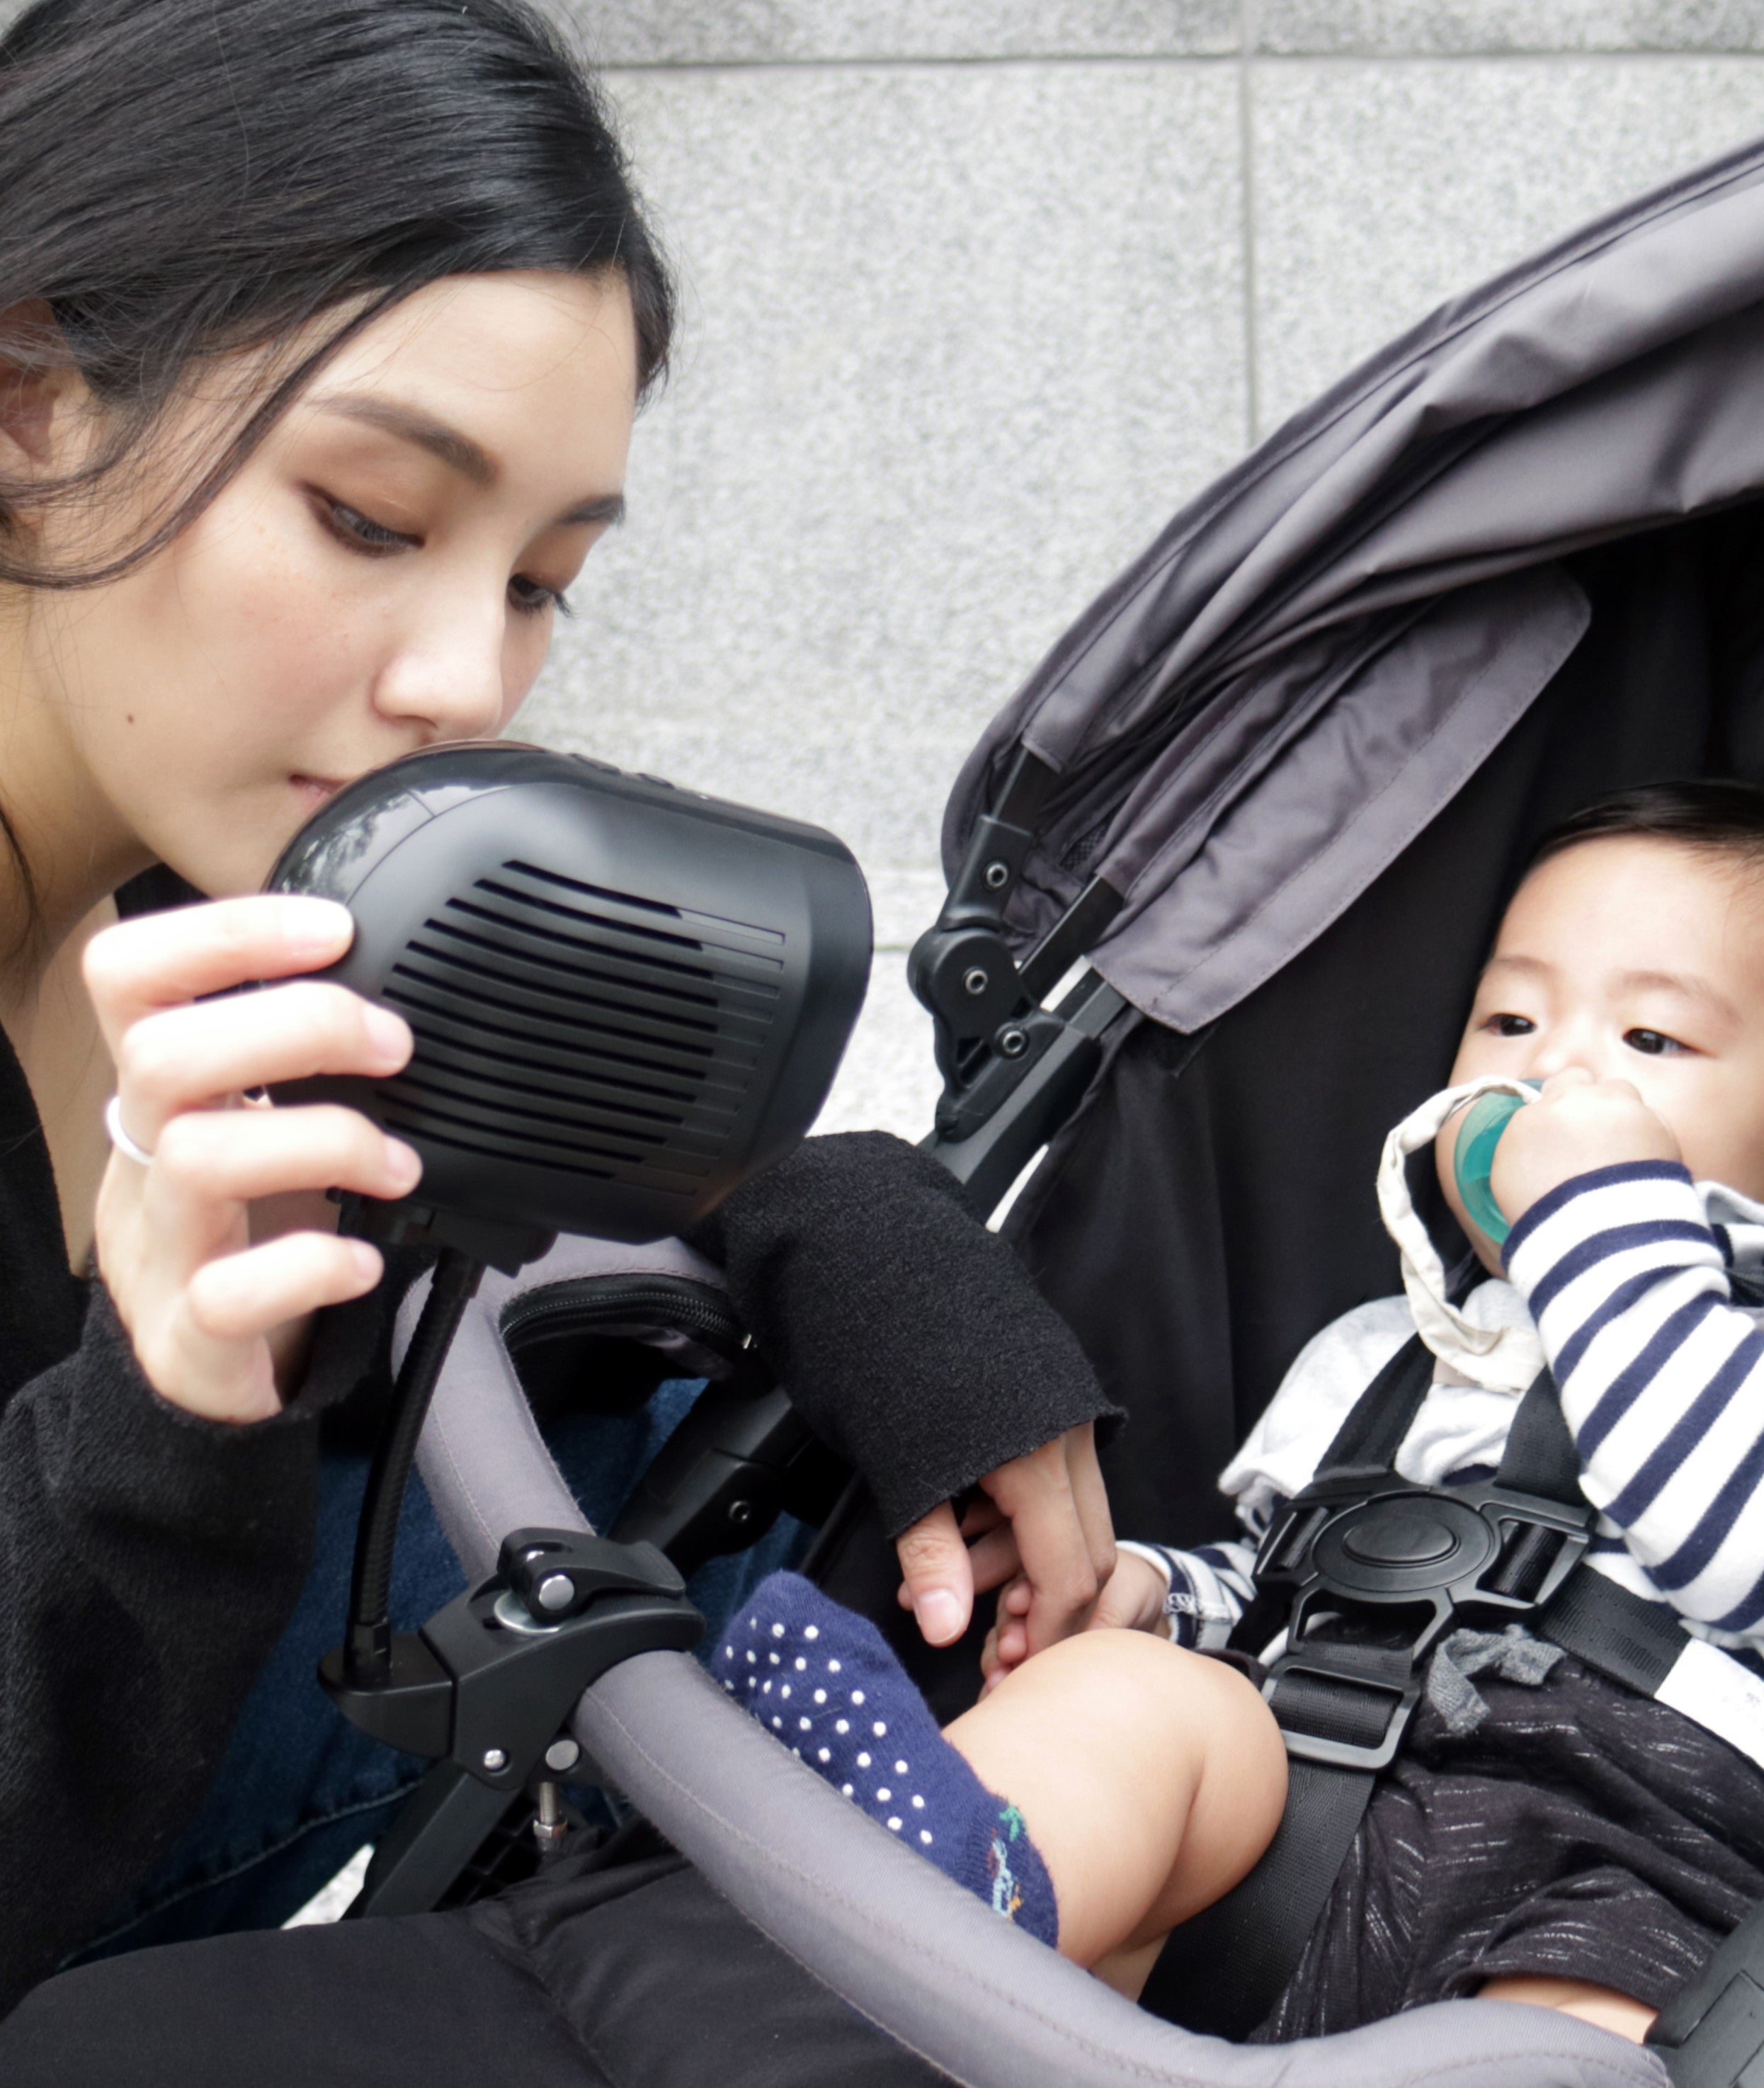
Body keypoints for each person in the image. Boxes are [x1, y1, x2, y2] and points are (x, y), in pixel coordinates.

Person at [0, 0, 1118, 2007]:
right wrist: (164, 1413)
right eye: (368, 517)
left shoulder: (219, 891)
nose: (464, 683)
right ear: (27, 400)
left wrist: (822, 1211)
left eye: (537, 579)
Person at [724, 781, 1764, 2044]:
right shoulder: (1384, 1353)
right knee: (1144, 1702)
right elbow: (1291, 1577)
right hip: (1311, 1802)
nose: (1553, 1070)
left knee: (1573, 2046)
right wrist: (1158, 1593)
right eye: (1510, 1018)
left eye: (1651, 1042)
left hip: (1640, 1850)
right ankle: (942, 1895)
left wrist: (1608, 1220)